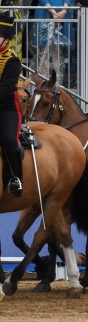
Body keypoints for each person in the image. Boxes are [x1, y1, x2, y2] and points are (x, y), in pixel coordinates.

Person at [0, 13, 23, 195]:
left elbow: (6, 87)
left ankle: (16, 178)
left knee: (8, 139)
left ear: (6, 39)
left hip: (7, 108)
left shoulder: (12, 60)